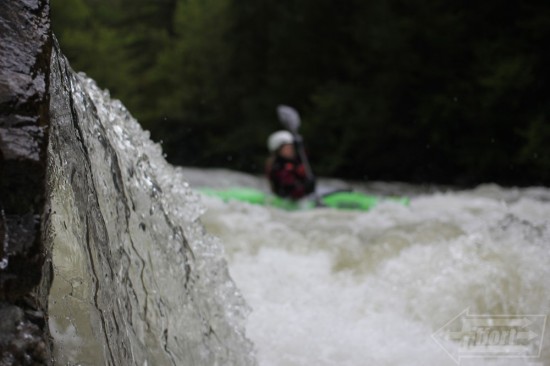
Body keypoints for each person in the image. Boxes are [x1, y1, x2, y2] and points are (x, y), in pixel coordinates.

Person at [265, 130, 316, 200]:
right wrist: (306, 188)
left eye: (291, 148)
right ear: (278, 150)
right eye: (287, 148)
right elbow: (289, 189)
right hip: (286, 200)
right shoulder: (278, 167)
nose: (291, 150)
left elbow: (305, 156)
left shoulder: (294, 162)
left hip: (300, 199)